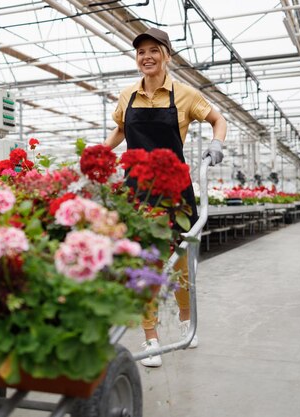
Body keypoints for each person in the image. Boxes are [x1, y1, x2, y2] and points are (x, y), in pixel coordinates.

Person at [103, 28, 227, 367]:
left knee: (181, 261)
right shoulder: (128, 94)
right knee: (145, 261)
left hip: (175, 188)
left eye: (153, 50)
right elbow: (120, 128)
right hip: (137, 188)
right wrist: (100, 153)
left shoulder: (184, 94)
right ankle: (151, 335)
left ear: (167, 55)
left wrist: (216, 144)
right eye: (141, 51)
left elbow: (218, 119)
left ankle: (186, 319)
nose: (146, 56)